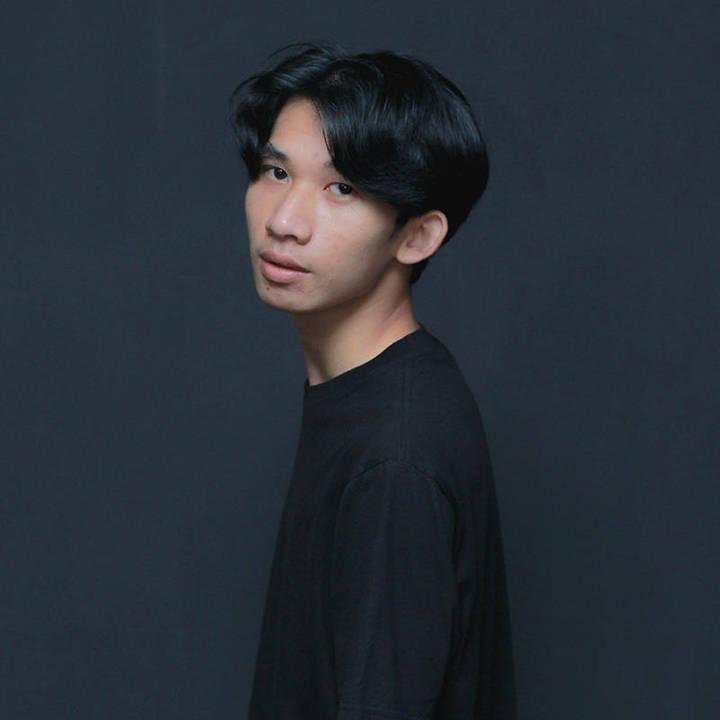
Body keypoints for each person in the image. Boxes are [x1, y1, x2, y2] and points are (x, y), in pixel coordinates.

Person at [229, 43, 516, 720]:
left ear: (416, 237)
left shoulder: (394, 459)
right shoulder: (373, 397)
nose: (283, 221)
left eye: (343, 189)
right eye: (276, 171)